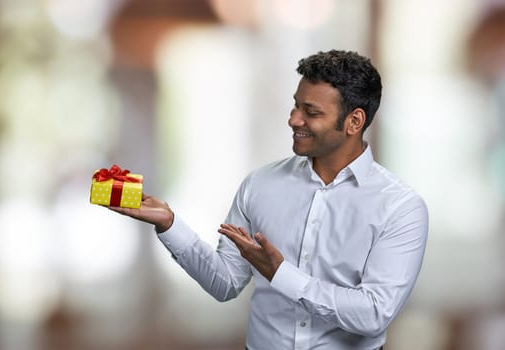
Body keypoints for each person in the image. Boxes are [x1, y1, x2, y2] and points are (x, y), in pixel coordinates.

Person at [110, 50, 428, 350]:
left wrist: (281, 274)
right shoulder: (260, 185)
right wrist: (170, 224)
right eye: (296, 106)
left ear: (354, 122)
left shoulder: (400, 209)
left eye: (311, 112)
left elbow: (374, 314)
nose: (294, 120)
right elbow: (225, 283)